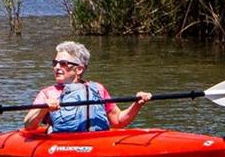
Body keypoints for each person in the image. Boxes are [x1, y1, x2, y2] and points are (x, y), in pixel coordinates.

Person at [22, 41, 152, 133]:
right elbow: (28, 125)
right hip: (63, 144)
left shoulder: (98, 89)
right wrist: (44, 108)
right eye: (55, 63)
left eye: (63, 63)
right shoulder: (47, 93)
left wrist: (137, 104)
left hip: (97, 142)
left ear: (79, 69)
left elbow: (118, 121)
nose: (56, 67)